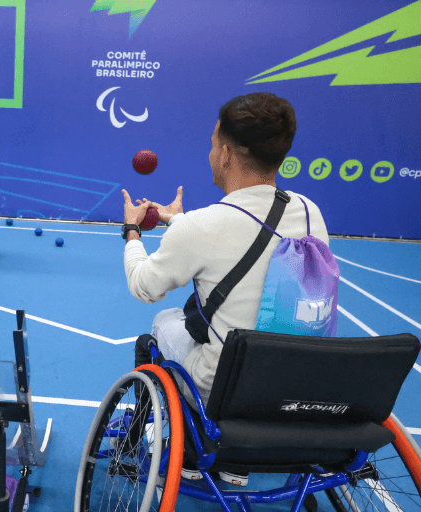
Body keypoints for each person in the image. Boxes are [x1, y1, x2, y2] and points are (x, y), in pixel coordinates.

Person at [120, 92, 329, 483]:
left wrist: (132, 232)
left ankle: (186, 445)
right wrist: (179, 224)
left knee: (165, 320)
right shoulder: (309, 211)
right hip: (294, 380)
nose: (211, 151)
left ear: (228, 152)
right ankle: (237, 464)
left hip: (223, 384)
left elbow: (144, 286)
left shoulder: (203, 225)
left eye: (213, 143)